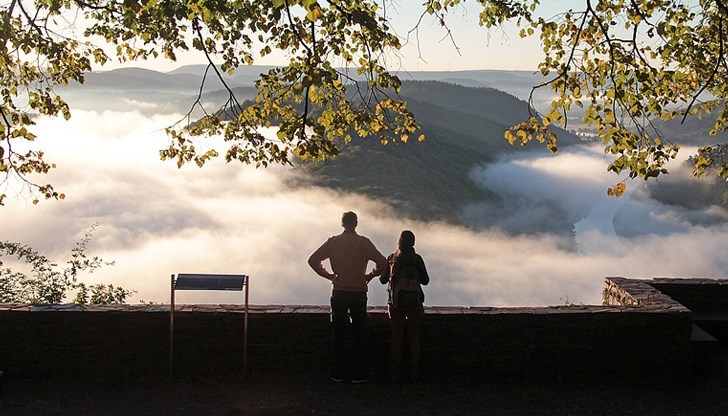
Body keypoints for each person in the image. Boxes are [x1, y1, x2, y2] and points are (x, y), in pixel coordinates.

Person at [308, 211, 387, 383]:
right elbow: (382, 262)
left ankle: (337, 372)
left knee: (338, 332)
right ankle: (359, 373)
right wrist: (370, 275)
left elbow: (312, 260)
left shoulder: (333, 242)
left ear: (342, 224)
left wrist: (329, 276)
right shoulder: (364, 243)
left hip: (339, 292)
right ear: (356, 223)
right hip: (358, 292)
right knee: (359, 333)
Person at [379, 230, 430, 382]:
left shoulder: (392, 258)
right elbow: (425, 280)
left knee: (397, 338)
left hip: (396, 304)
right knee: (414, 338)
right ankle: (414, 373)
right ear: (413, 243)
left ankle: (395, 373)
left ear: (399, 242)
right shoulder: (417, 259)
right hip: (415, 304)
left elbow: (382, 280)